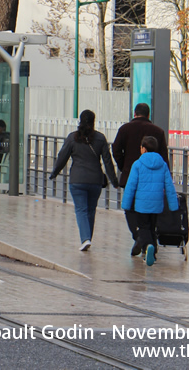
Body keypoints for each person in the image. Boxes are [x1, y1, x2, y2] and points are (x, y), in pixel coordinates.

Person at [49, 110, 119, 251]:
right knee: (91, 210)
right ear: (94, 121)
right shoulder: (100, 138)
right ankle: (88, 238)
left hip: (77, 180)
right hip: (95, 181)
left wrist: (54, 173)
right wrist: (114, 180)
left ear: (80, 120)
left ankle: (85, 239)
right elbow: (107, 161)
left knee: (81, 209)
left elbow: (62, 156)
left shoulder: (73, 137)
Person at [112, 102, 169, 255]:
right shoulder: (158, 131)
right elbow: (164, 157)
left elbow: (116, 149)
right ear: (148, 115)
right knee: (151, 214)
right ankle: (150, 242)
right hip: (153, 181)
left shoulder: (125, 129)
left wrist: (123, 166)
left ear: (135, 113)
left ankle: (139, 237)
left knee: (130, 209)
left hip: (130, 176)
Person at [121, 135, 179, 266]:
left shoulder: (138, 164)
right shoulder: (163, 164)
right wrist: (173, 205)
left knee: (143, 227)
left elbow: (131, 186)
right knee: (152, 227)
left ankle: (148, 247)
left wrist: (126, 204)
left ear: (143, 149)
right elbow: (169, 186)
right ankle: (153, 253)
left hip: (142, 204)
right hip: (157, 204)